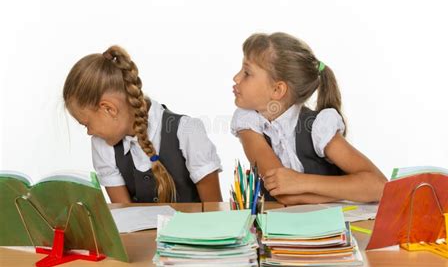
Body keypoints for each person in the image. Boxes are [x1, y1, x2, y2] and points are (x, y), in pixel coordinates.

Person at [231, 32, 387, 205]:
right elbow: (283, 194)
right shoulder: (247, 122)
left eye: (246, 72)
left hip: (330, 227)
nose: (236, 78)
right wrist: (350, 191)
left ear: (277, 90)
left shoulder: (318, 126)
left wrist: (301, 181)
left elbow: (379, 186)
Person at [63, 45, 222, 203]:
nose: (89, 133)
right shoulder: (103, 146)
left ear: (109, 109)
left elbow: (215, 214)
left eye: (86, 124)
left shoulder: (188, 132)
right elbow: (126, 217)